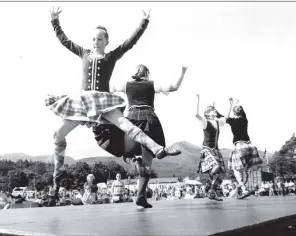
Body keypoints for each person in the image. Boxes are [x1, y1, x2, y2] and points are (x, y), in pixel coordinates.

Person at [45, 7, 181, 196]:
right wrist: (55, 21)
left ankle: (157, 148)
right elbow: (65, 41)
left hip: (102, 100)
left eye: (100, 39)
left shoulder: (110, 56)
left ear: (107, 41)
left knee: (125, 124)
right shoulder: (83, 53)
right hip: (84, 101)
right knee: (57, 135)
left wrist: (144, 22)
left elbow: (129, 43)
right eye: (94, 39)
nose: (96, 42)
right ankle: (58, 176)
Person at [109, 64, 187, 208]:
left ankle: (135, 162)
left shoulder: (126, 85)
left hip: (131, 119)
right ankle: (140, 197)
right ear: (147, 74)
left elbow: (109, 87)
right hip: (149, 119)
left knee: (128, 153)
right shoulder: (152, 85)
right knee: (148, 161)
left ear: (135, 73)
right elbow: (175, 87)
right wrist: (183, 71)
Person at [225, 98, 263, 199]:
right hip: (250, 147)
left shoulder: (232, 121)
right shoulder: (244, 119)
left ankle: (244, 188)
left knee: (235, 168)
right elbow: (243, 112)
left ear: (234, 113)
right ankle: (248, 184)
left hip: (240, 147)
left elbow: (226, 118)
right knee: (247, 167)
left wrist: (230, 105)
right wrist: (238, 104)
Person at [195, 94, 226, 201]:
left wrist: (230, 105)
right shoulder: (205, 122)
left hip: (216, 150)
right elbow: (196, 114)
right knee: (216, 166)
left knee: (222, 173)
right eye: (212, 110)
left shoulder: (218, 122)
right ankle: (208, 184)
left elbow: (226, 117)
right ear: (207, 114)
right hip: (207, 148)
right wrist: (198, 100)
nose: (214, 111)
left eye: (214, 110)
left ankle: (212, 191)